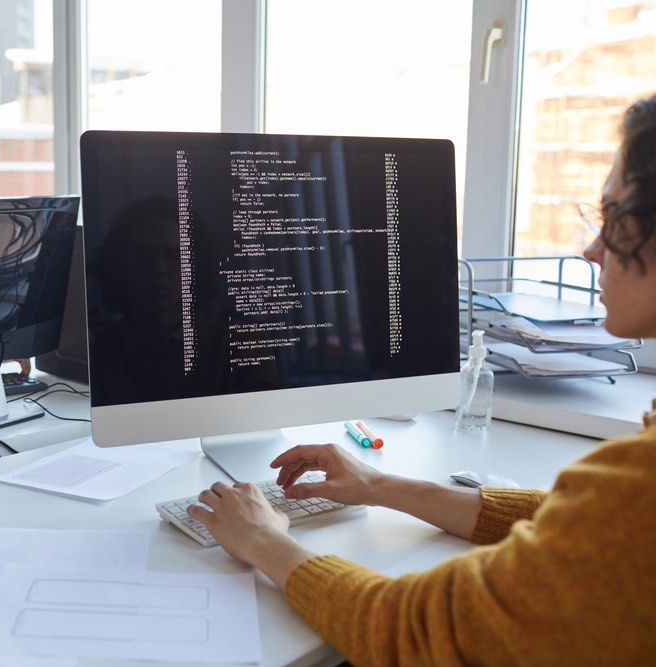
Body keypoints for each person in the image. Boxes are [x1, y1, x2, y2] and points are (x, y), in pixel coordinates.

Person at [188, 95, 656, 665]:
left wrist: (264, 541)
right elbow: (580, 533)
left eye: (612, 218)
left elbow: (411, 630)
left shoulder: (637, 485)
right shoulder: (629, 494)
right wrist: (380, 487)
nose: (590, 250)